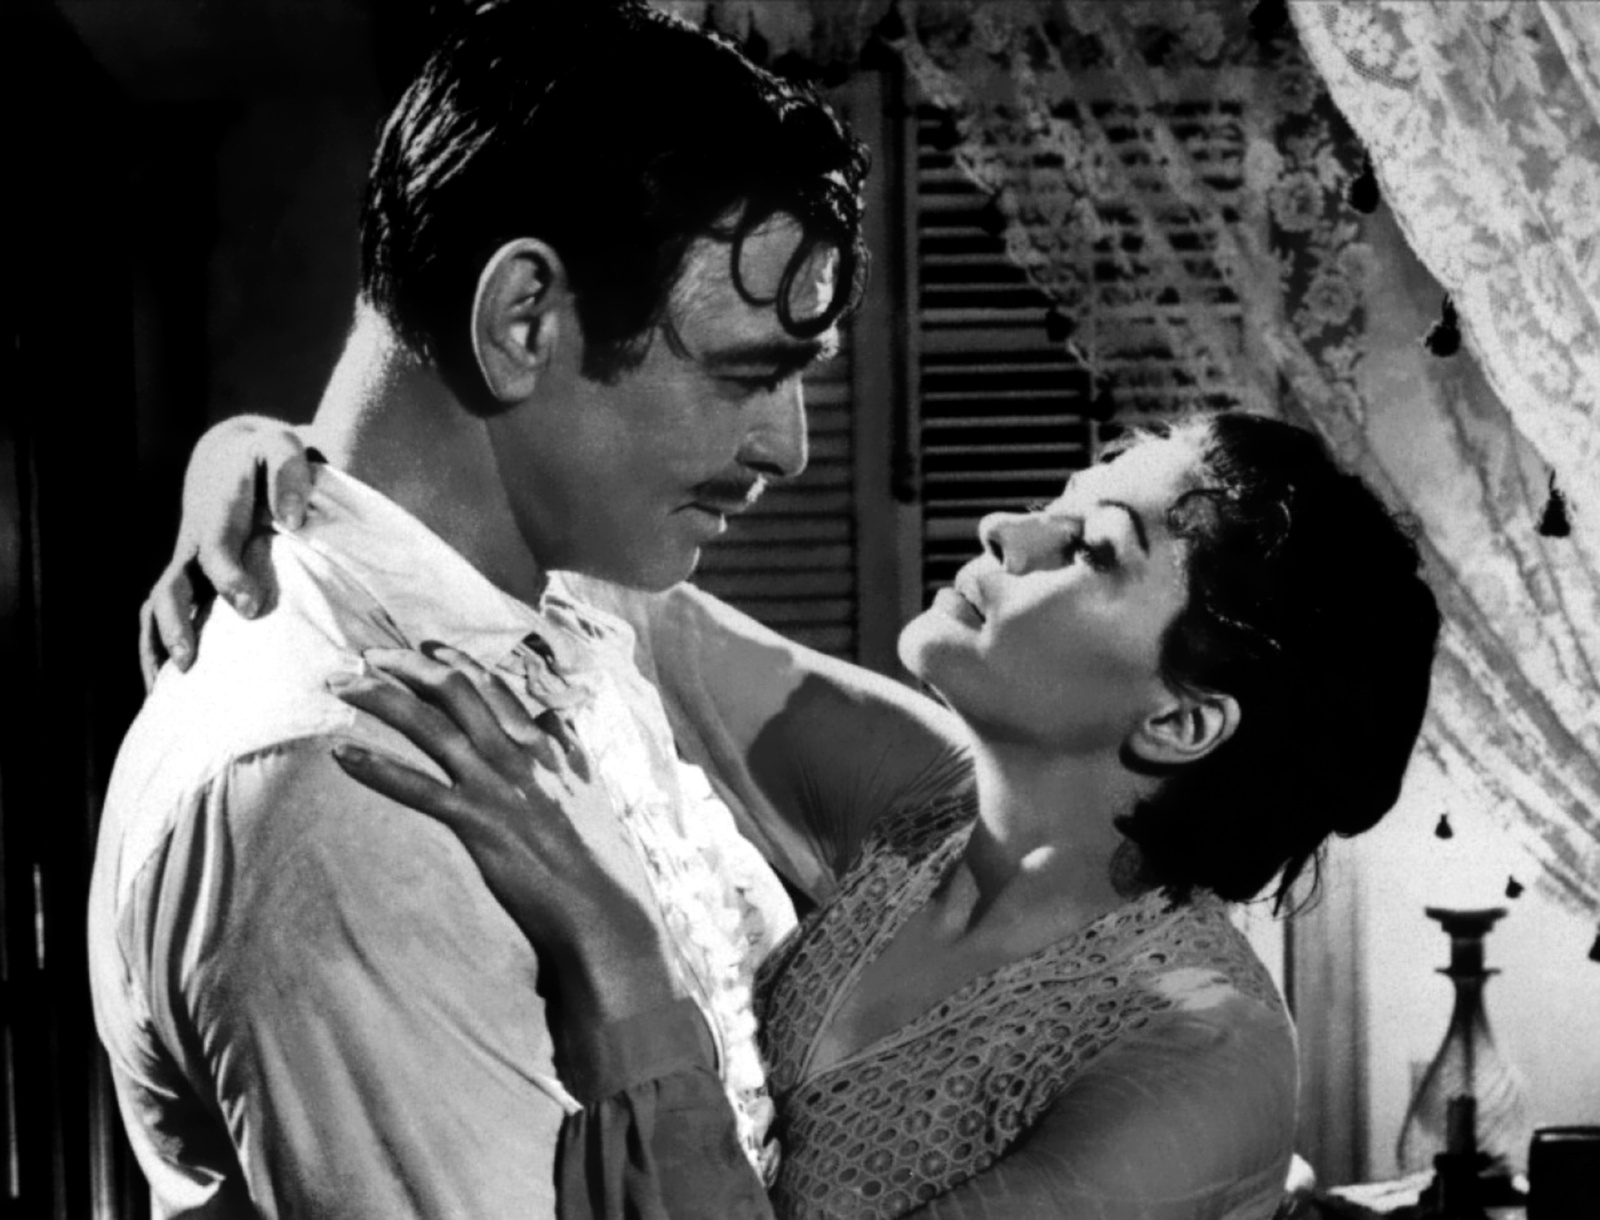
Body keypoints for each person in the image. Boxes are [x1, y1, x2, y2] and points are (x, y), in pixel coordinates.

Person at [90, 5, 966, 1216]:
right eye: (746, 373)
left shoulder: (561, 614)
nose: (791, 447)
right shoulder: (348, 788)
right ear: (523, 320)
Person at [152, 410, 1441, 1218]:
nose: (1009, 527)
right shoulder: (922, 795)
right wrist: (294, 473)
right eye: (1066, 493)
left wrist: (614, 944)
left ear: (1180, 722)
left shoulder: (1203, 1054)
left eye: (1094, 547)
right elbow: (597, 586)